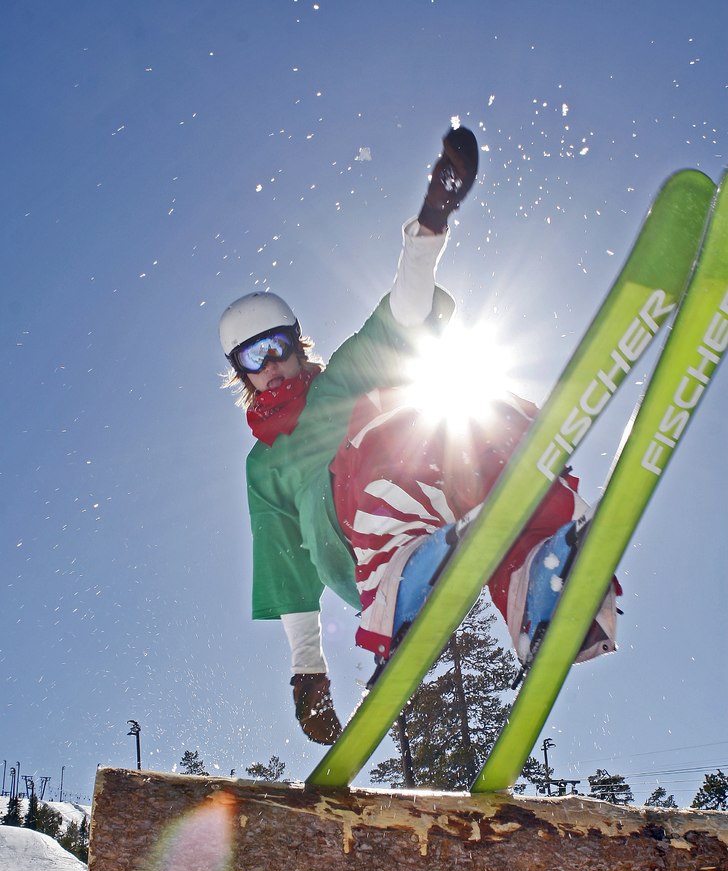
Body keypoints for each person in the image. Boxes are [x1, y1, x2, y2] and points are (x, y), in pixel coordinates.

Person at [219, 125, 618, 744]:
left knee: (478, 413)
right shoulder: (264, 464)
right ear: (240, 375)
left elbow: (400, 316)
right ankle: (399, 582)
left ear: (298, 345)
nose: (270, 366)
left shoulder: (344, 374)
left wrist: (432, 222)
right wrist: (307, 673)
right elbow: (284, 568)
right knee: (375, 429)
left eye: (277, 347)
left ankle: (540, 582)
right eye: (252, 359)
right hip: (360, 554)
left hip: (433, 511)